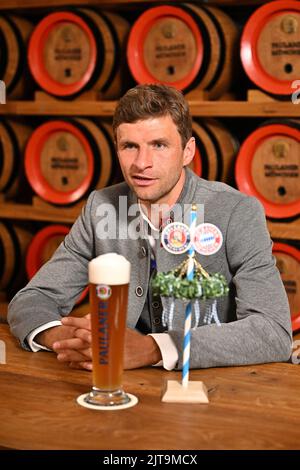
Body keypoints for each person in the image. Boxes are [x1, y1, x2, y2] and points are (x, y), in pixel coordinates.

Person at [8, 84, 292, 371]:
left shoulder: (235, 211)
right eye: (129, 146)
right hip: (123, 387)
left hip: (210, 390)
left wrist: (154, 348)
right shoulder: (101, 207)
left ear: (187, 151)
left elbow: (273, 331)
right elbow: (32, 299)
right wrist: (68, 339)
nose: (141, 163)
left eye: (159, 145)